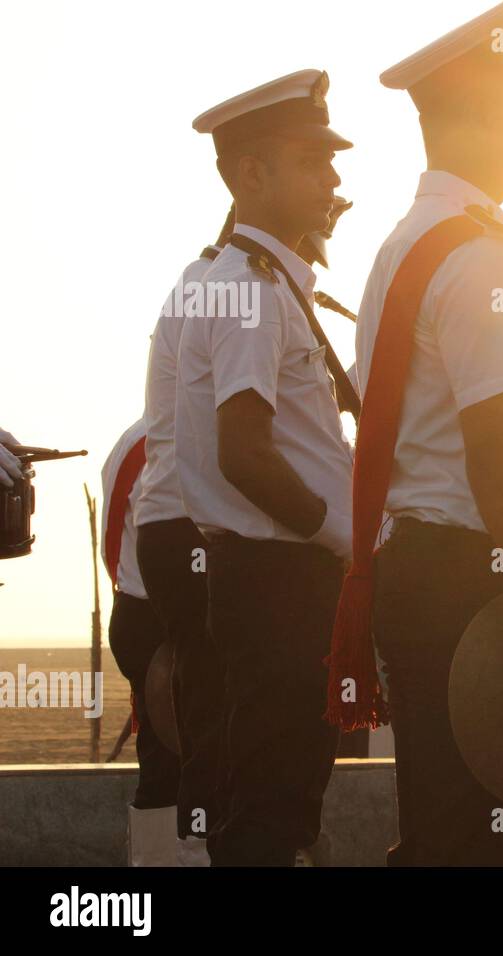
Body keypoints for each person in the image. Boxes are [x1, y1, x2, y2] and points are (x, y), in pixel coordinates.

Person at [330, 0, 503, 866]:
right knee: (485, 845)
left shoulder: (408, 245)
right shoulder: (479, 259)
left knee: (445, 834)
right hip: (478, 580)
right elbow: (500, 457)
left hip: (431, 573)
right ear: (480, 109)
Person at [176, 68, 356, 866]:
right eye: (313, 163)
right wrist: (344, 539)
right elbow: (245, 454)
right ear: (253, 175)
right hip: (281, 574)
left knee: (279, 799)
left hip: (275, 574)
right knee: (272, 809)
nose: (334, 180)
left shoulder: (260, 282)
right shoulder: (249, 291)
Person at [135, 215, 230, 866]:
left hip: (159, 568)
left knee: (188, 742)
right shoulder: (230, 293)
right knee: (209, 735)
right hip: (188, 553)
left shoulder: (203, 287)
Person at [102, 418, 180, 866]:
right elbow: (115, 542)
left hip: (159, 613)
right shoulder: (141, 442)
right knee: (164, 759)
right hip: (149, 616)